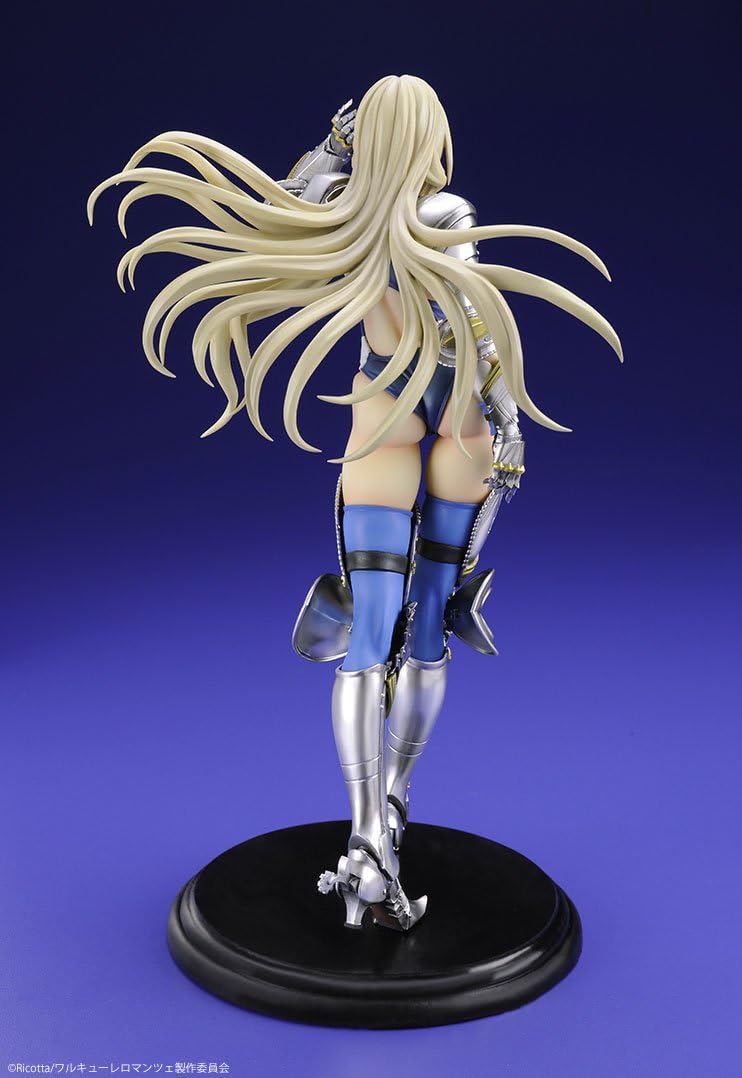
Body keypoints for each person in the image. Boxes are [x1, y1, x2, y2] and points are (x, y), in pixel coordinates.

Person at [88, 73, 621, 933]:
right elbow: (474, 334)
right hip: (459, 422)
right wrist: (510, 423)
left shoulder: (345, 209)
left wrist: (333, 148)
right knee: (429, 618)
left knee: (369, 633)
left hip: (383, 412)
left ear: (369, 136)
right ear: (432, 135)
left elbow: (287, 197)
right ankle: (392, 809)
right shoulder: (445, 213)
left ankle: (369, 833)